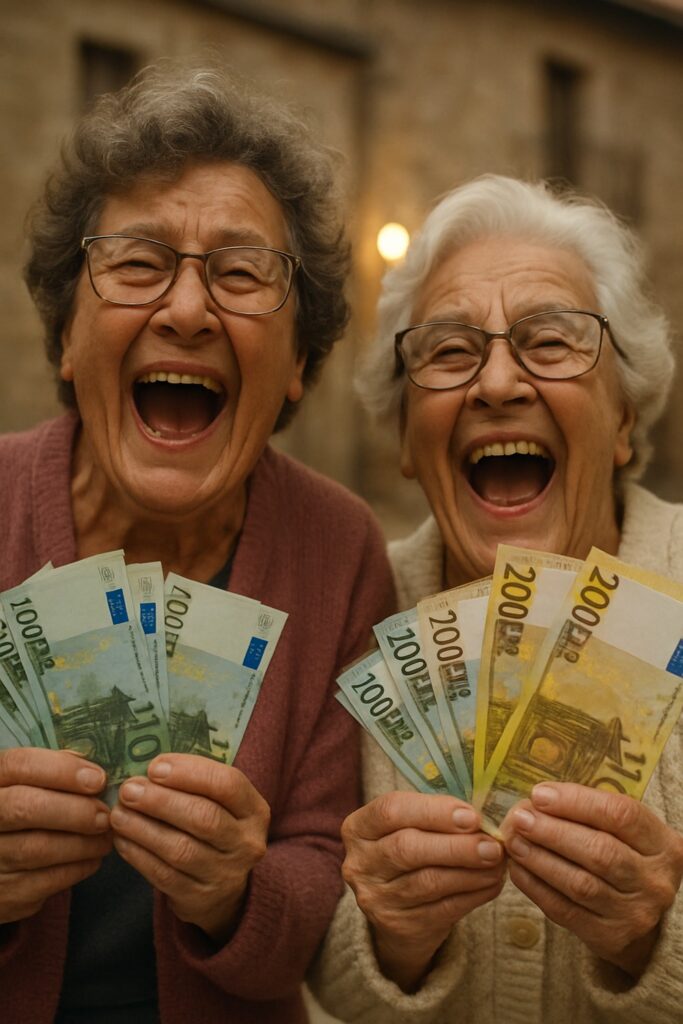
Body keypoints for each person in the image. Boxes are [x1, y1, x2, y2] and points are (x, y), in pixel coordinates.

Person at [0, 62, 395, 1024]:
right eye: (137, 263)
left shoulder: (339, 549)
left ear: (297, 362)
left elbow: (322, 869)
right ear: (66, 336)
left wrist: (238, 895)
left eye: (240, 272)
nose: (186, 309)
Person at [308, 175, 683, 1023]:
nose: (497, 382)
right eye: (447, 352)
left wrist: (651, 942)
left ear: (623, 418)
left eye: (549, 342)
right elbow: (307, 958)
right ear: (406, 437)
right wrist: (390, 943)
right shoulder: (352, 607)